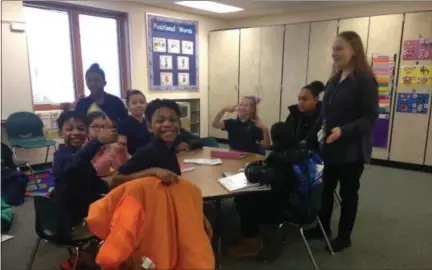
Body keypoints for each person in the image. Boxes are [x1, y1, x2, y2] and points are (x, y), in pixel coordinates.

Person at [305, 31, 378, 252]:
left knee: (347, 195)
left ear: (354, 50)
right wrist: (308, 139)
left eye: (339, 48)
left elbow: (370, 117)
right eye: (333, 48)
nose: (334, 53)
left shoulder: (365, 80)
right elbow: (323, 115)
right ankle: (323, 227)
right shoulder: (334, 79)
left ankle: (344, 237)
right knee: (325, 191)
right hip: (329, 148)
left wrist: (343, 131)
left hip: (351, 151)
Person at [51, 110, 117, 232]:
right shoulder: (61, 156)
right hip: (75, 218)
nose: (76, 133)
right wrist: (97, 142)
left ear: (86, 132)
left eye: (81, 129)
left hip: (85, 205)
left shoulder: (79, 156)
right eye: (69, 129)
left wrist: (114, 182)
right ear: (61, 133)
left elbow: (92, 181)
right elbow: (74, 165)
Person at [111, 99, 183, 187]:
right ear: (149, 126)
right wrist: (153, 171)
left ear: (179, 124)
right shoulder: (148, 152)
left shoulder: (170, 148)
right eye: (160, 121)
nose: (167, 124)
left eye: (172, 120)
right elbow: (115, 179)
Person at [285, 81, 324, 153]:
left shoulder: (324, 116)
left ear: (315, 99)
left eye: (305, 99)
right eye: (299, 99)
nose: (301, 102)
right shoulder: (293, 114)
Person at [87, 111, 129, 177]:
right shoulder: (84, 148)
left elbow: (123, 168)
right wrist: (111, 153)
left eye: (104, 126)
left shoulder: (112, 144)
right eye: (96, 126)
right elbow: (94, 172)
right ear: (87, 129)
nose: (101, 130)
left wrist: (122, 150)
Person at [117, 90, 151, 155]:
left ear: (146, 104)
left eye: (142, 102)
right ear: (127, 106)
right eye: (134, 103)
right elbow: (122, 148)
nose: (139, 105)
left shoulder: (149, 123)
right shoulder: (123, 125)